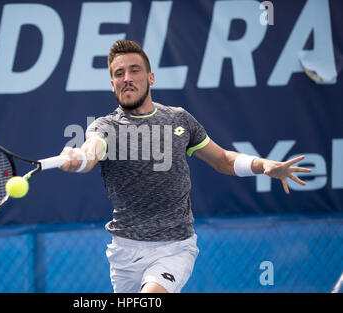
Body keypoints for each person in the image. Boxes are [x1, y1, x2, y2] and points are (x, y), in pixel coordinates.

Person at [59, 40, 311, 293]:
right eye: (119, 73)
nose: (127, 78)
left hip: (175, 247)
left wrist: (263, 164)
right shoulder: (105, 127)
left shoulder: (179, 119)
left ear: (151, 77)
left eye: (135, 70)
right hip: (124, 250)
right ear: (112, 84)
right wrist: (80, 158)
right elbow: (92, 149)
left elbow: (222, 160)